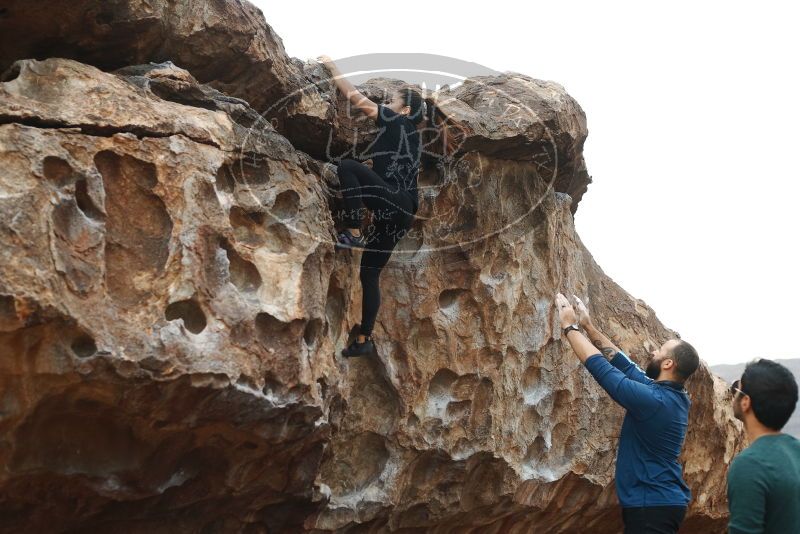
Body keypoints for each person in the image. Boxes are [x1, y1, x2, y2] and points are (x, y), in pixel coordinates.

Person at [555, 293, 700, 534]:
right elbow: (624, 365)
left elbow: (606, 372)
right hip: (658, 503)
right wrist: (589, 327)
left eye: (660, 351)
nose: (653, 351)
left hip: (652, 506)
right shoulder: (667, 393)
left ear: (667, 365)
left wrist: (569, 327)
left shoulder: (655, 401)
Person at [317, 55, 430, 358]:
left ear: (405, 110)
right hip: (402, 212)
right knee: (370, 272)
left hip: (394, 200)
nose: (386, 103)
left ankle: (353, 231)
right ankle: (365, 338)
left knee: (348, 167)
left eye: (391, 101)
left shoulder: (398, 121)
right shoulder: (412, 137)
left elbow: (356, 98)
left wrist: (331, 67)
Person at [727, 358, 800, 534]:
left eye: (736, 389)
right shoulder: (796, 450)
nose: (733, 394)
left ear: (746, 403)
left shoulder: (749, 464)